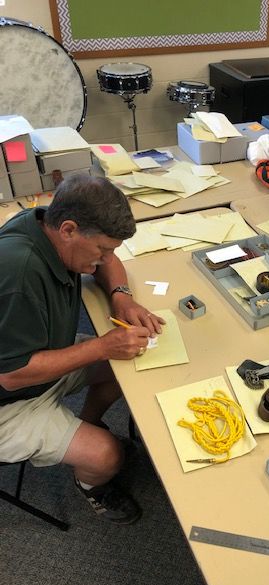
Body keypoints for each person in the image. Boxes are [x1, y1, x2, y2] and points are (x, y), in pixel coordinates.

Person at [0, 174, 165, 524]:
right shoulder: (20, 273)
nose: (106, 259)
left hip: (43, 361)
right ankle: (91, 484)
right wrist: (104, 346)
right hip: (9, 401)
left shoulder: (45, 222)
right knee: (108, 456)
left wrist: (121, 296)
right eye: (101, 250)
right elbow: (13, 376)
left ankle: (84, 425)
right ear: (70, 230)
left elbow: (110, 266)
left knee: (128, 366)